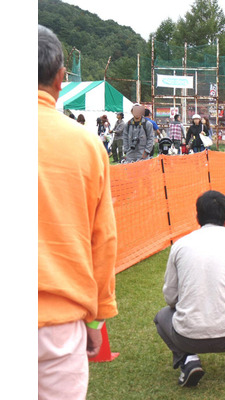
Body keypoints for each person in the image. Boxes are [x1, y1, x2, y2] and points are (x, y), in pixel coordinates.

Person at [38, 24, 118, 399]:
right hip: (58, 323)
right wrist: (97, 317)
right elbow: (103, 240)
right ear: (60, 77)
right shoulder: (87, 145)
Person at [154, 190, 225, 387]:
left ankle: (188, 360)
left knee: (162, 316)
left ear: (197, 216)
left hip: (187, 339)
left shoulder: (180, 245)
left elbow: (170, 298)